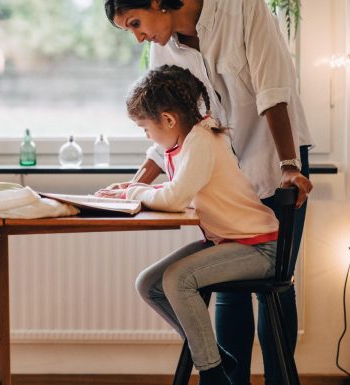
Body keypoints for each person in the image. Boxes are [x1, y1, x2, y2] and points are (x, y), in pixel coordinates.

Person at [102, 1, 313, 384]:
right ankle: (231, 378)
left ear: (156, 2)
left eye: (135, 23)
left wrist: (289, 166)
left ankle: (279, 379)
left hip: (277, 156)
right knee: (228, 291)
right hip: (220, 164)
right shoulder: (162, 41)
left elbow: (273, 90)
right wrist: (135, 186)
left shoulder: (242, 9)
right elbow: (164, 125)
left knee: (276, 289)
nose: (138, 37)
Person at [99, 64, 280, 385]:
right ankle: (214, 353)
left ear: (168, 120)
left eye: (145, 128)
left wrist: (135, 190)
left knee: (178, 279)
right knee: (149, 284)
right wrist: (130, 190)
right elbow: (177, 190)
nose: (146, 135)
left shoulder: (201, 141)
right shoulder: (190, 140)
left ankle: (212, 374)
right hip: (231, 242)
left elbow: (174, 198)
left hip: (259, 248)